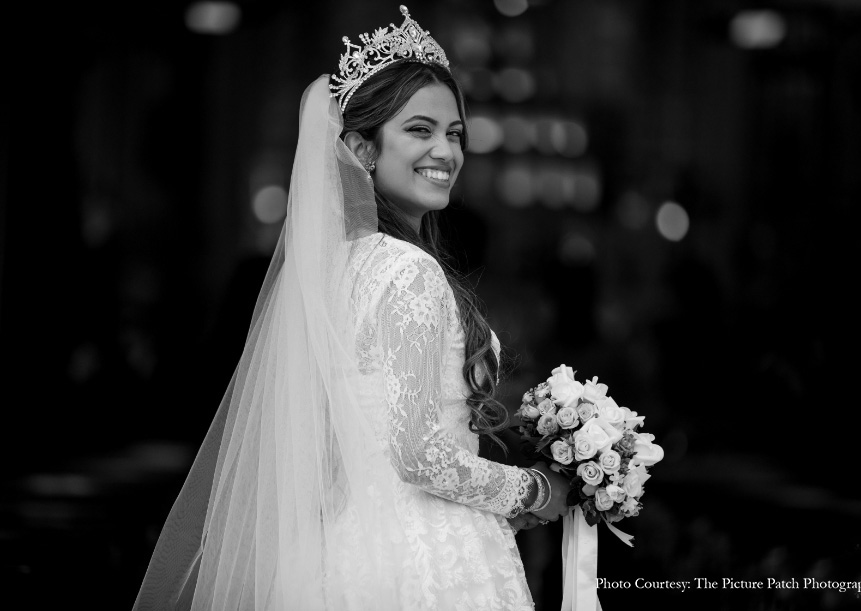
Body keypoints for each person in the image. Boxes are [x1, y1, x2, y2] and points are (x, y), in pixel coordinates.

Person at [133, 6, 569, 610]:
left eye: (455, 133)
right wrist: (534, 490)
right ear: (362, 148)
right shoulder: (408, 270)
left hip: (340, 543)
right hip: (420, 555)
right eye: (419, 130)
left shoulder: (334, 270)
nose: (446, 150)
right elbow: (418, 455)